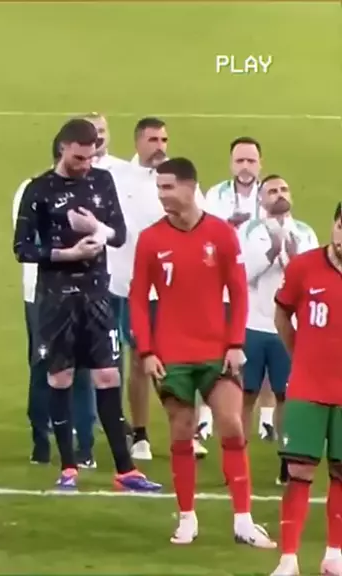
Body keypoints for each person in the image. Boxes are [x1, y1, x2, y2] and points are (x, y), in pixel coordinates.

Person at [129, 157, 275, 547]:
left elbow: (239, 291)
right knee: (181, 430)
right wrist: (147, 351)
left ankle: (243, 520)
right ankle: (187, 518)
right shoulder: (151, 239)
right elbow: (139, 298)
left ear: (191, 188)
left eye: (168, 187)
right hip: (171, 354)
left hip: (216, 350)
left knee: (232, 424)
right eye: (159, 188)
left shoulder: (221, 234)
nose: (162, 195)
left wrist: (235, 343)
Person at [13, 118, 161, 492]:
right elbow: (22, 248)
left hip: (97, 295)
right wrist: (67, 254)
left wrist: (97, 229)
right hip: (56, 298)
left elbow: (119, 234)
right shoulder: (38, 190)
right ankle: (68, 467)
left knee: (108, 375)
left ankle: (126, 470)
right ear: (63, 148)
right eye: (79, 158)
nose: (86, 165)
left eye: (91, 157)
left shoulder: (102, 181)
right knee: (60, 377)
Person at [114, 117, 207, 460]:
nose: (160, 146)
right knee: (140, 360)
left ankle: (187, 432)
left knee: (182, 359)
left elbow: (201, 222)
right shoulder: (119, 178)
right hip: (132, 285)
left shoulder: (179, 179)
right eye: (153, 139)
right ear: (138, 142)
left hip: (175, 288)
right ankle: (140, 435)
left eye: (164, 139)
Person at [13, 135, 97, 468]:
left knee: (83, 367)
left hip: (85, 290)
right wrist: (71, 250)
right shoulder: (31, 190)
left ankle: (84, 446)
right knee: (44, 366)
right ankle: (42, 444)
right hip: (42, 293)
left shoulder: (90, 189)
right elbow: (27, 244)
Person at [271, 201, 342, 576]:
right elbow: (282, 312)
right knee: (298, 472)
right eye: (341, 226)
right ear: (334, 225)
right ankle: (288, 559)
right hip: (307, 388)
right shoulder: (304, 267)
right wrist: (298, 352)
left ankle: (335, 555)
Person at [239, 175, 319, 486]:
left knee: (287, 395)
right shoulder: (250, 231)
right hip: (254, 325)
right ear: (261, 199)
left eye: (284, 189)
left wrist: (294, 259)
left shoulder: (306, 233)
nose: (279, 194)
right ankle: (238, 460)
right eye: (272, 191)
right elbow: (243, 274)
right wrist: (272, 253)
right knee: (246, 393)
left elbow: (312, 279)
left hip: (289, 327)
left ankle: (287, 461)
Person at [205, 137, 275, 441]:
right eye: (240, 161)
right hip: (221, 283)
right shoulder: (215, 195)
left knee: (267, 346)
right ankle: (206, 416)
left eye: (251, 161)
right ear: (231, 163)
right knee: (215, 349)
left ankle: (267, 417)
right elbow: (204, 233)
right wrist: (228, 227)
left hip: (261, 283)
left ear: (260, 164)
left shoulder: (270, 193)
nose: (245, 167)